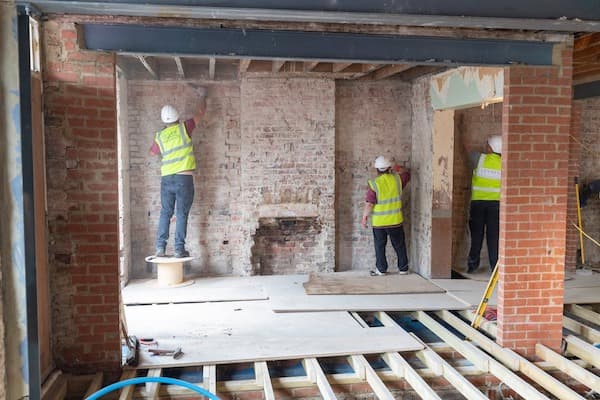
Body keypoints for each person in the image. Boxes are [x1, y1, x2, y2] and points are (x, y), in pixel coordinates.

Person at [150, 88, 207, 258]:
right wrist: (203, 96)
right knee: (181, 213)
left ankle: (160, 248)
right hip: (184, 178)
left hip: (166, 179)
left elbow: (152, 152)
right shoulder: (185, 128)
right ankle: (178, 249)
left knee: (166, 213)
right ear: (177, 117)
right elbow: (201, 112)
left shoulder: (160, 136)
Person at [361, 156, 410, 276]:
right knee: (399, 245)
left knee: (380, 246)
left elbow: (369, 204)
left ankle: (381, 270)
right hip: (395, 220)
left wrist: (364, 218)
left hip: (379, 223)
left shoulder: (374, 184)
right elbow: (407, 174)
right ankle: (403, 268)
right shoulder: (398, 180)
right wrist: (396, 167)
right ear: (389, 168)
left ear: (376, 170)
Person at [464, 135, 502, 273]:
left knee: (476, 237)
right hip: (497, 206)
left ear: (491, 148)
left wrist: (461, 131)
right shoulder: (505, 164)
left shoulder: (479, 159)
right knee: (494, 239)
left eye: (487, 144)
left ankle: (472, 266)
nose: (485, 146)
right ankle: (495, 269)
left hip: (478, 204)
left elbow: (466, 148)